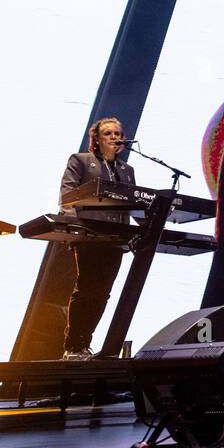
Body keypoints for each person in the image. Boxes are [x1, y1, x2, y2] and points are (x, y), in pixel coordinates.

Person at [59, 116, 135, 359]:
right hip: (89, 236)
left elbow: (133, 202)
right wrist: (74, 228)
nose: (114, 137)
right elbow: (68, 195)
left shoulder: (127, 170)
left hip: (115, 239)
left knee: (103, 293)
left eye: (117, 133)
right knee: (87, 290)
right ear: (97, 139)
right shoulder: (81, 161)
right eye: (108, 134)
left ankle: (85, 344)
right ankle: (73, 346)